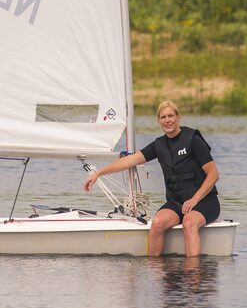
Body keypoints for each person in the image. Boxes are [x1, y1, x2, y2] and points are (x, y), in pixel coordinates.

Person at [82, 99, 220, 257]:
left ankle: (193, 274)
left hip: (204, 202)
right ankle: (156, 271)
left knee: (189, 223)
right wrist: (98, 173)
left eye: (170, 116)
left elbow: (214, 174)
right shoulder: (159, 145)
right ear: (158, 121)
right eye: (163, 117)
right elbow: (129, 160)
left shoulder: (193, 140)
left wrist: (195, 199)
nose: (167, 120)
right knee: (157, 223)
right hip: (177, 203)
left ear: (178, 117)